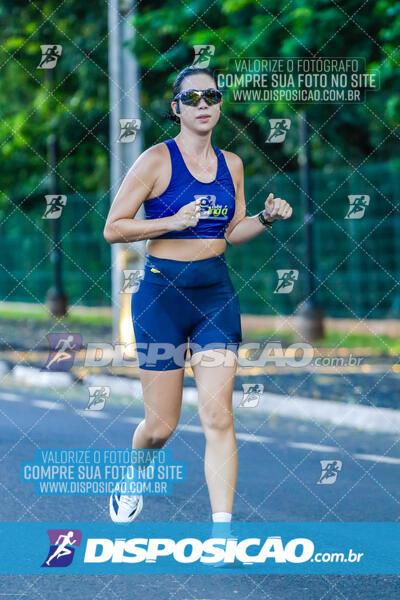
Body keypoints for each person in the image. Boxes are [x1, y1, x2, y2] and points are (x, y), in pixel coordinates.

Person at [103, 66, 293, 524]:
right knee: (161, 426)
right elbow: (114, 229)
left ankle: (221, 534)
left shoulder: (233, 165)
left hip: (214, 296)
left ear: (220, 104)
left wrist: (264, 219)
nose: (203, 104)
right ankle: (134, 477)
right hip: (161, 297)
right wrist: (172, 221)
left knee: (219, 417)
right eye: (193, 99)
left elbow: (232, 231)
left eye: (211, 96)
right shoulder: (154, 161)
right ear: (177, 109)